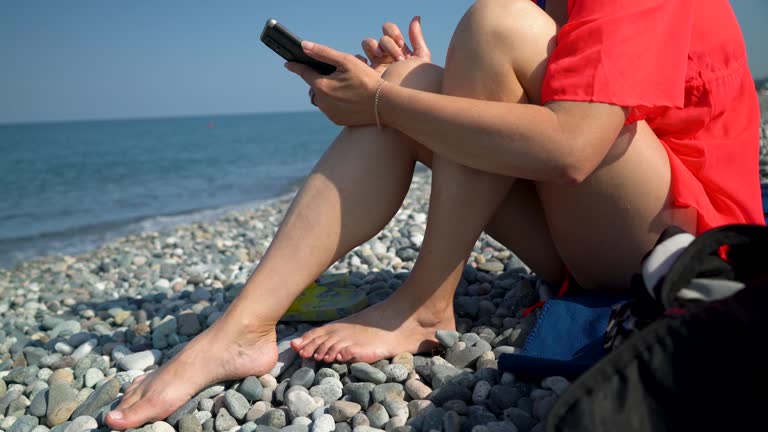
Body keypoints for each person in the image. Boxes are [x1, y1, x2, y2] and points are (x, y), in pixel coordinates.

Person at [105, 0, 763, 428]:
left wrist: (387, 106)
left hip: (682, 244)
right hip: (597, 235)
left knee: (488, 30)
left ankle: (426, 304)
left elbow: (575, 147)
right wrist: (402, 91)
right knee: (409, 82)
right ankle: (242, 329)